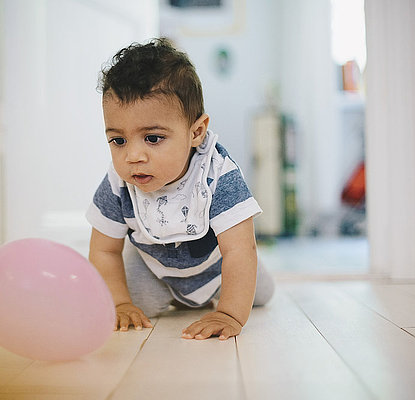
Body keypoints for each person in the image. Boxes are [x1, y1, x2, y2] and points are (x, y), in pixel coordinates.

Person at [86, 38, 274, 340]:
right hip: (154, 270)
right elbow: (104, 250)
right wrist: (120, 303)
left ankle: (244, 279)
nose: (133, 156)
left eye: (153, 138)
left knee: (258, 292)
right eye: (119, 140)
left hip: (219, 267)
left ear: (196, 132)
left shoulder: (216, 175)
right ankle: (173, 296)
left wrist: (229, 314)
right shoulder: (118, 183)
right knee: (114, 303)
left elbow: (238, 250)